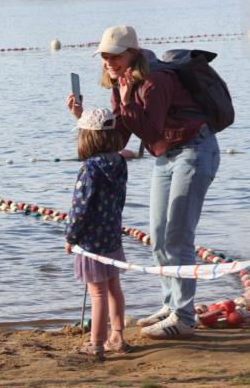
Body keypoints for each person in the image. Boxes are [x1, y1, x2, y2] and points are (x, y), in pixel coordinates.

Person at [67, 25, 219, 340]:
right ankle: (170, 305)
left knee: (178, 235)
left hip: (194, 151)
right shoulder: (121, 82)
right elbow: (118, 138)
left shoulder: (155, 80)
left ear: (132, 53)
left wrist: (126, 102)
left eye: (115, 55)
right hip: (166, 156)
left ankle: (185, 317)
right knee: (159, 236)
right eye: (104, 56)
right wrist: (81, 118)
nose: (108, 62)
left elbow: (149, 131)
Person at [64, 108, 130, 361]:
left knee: (98, 293)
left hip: (91, 240)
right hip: (112, 233)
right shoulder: (119, 161)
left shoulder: (89, 168)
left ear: (87, 137)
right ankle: (118, 336)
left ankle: (96, 343)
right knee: (114, 287)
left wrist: (71, 237)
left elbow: (80, 207)